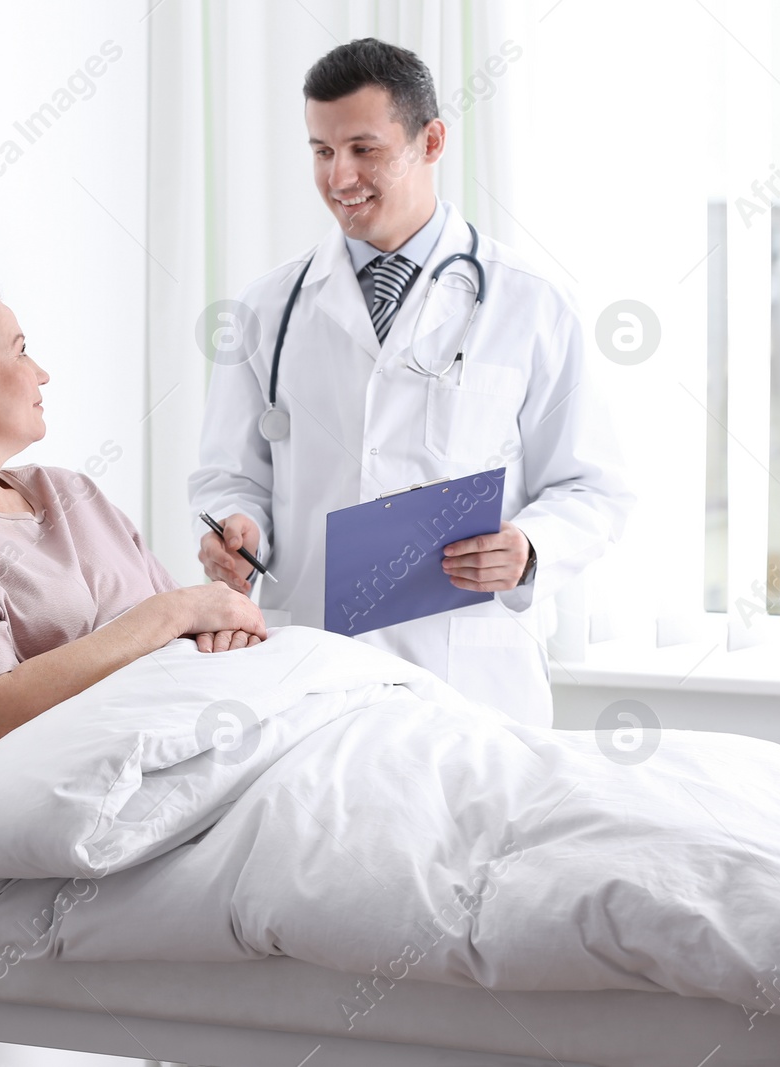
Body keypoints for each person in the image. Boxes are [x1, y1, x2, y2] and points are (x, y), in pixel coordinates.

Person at [189, 38, 633, 726]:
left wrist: (530, 547)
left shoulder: (533, 302)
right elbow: (228, 476)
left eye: (364, 150)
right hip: (311, 672)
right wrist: (238, 531)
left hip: (470, 678)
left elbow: (594, 485)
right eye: (320, 150)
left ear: (431, 141)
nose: (339, 177)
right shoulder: (264, 310)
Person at [0, 282, 266, 798]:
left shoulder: (69, 491)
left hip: (214, 739)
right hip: (88, 795)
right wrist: (175, 613)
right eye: (20, 350)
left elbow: (202, 624)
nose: (42, 373)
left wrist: (222, 627)